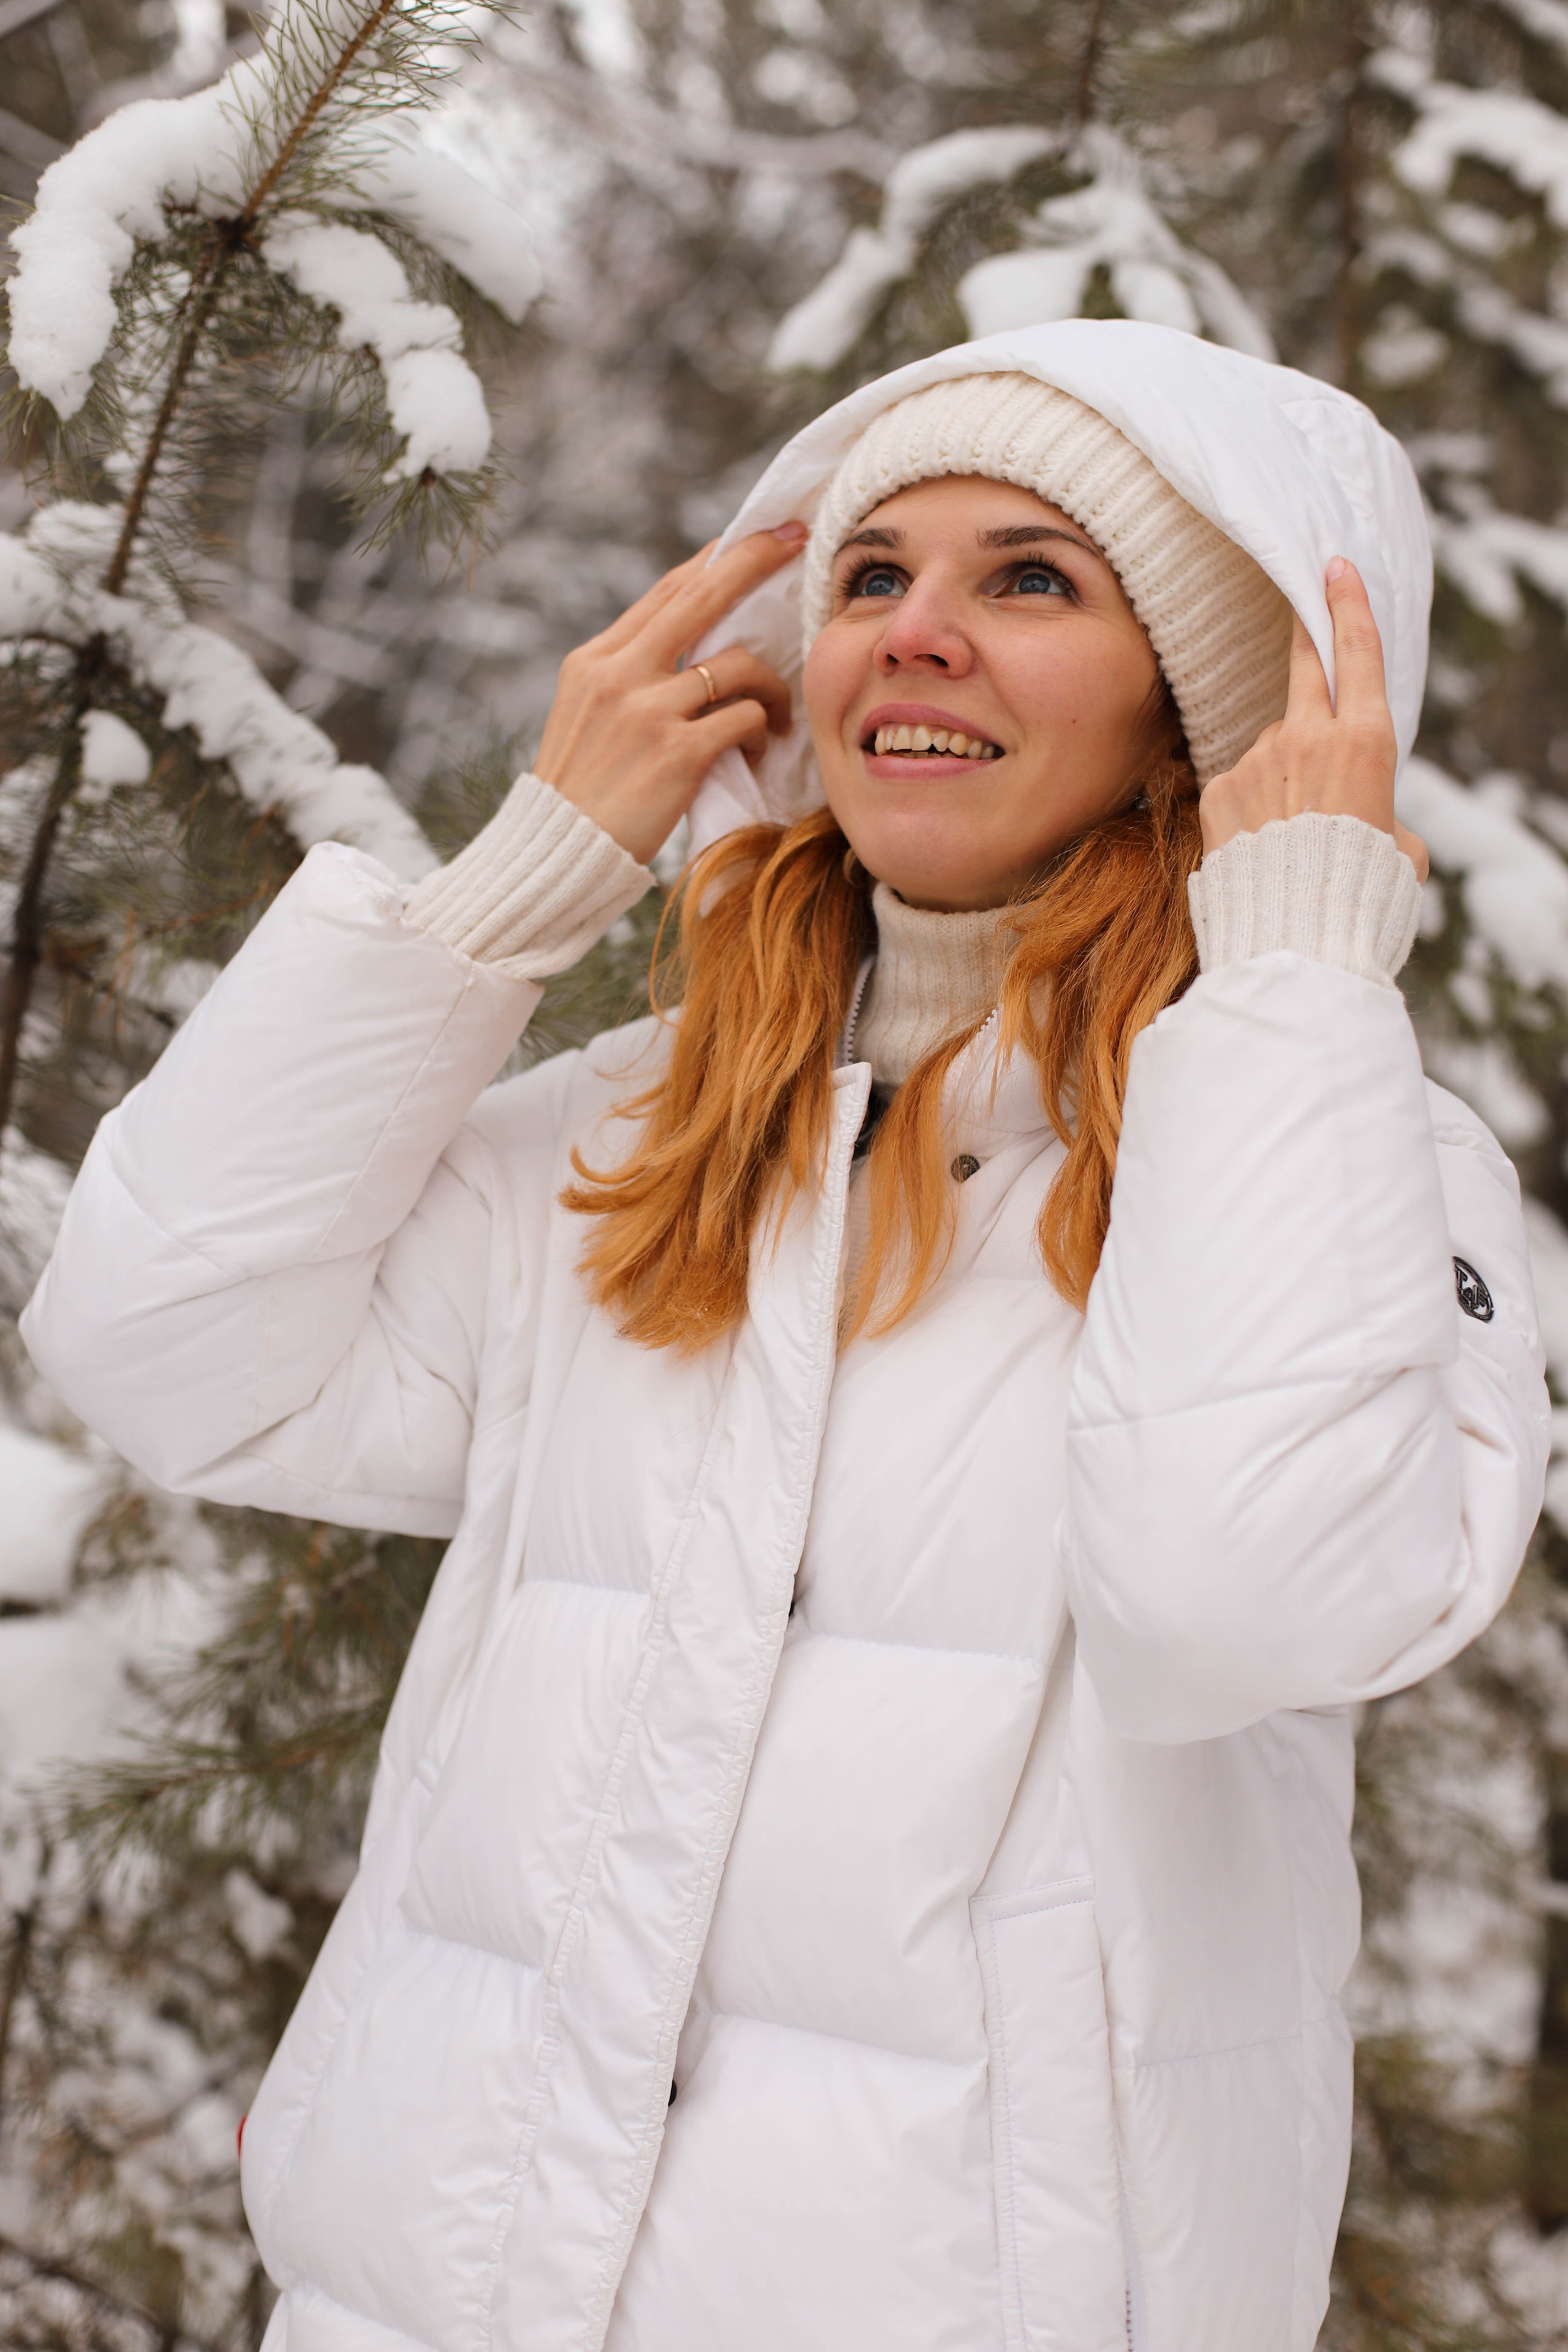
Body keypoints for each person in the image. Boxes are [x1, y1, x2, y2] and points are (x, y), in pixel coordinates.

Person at [22, 321, 1549, 2352]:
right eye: (867, 573)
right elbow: (163, 1349)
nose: (914, 632)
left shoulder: (1345, 1159)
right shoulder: (648, 1136)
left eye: (1030, 578)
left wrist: (1285, 981)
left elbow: (1240, 1598)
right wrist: (511, 896)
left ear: (1210, 708)